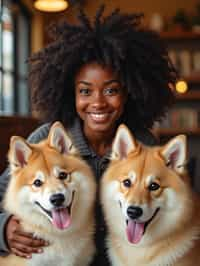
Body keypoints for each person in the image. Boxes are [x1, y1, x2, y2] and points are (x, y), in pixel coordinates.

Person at [0, 6, 177, 266]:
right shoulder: (46, 138)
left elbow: (170, 205)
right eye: (85, 91)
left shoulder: (143, 144)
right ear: (70, 94)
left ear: (129, 92)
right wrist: (3, 229)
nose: (98, 103)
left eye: (111, 90)